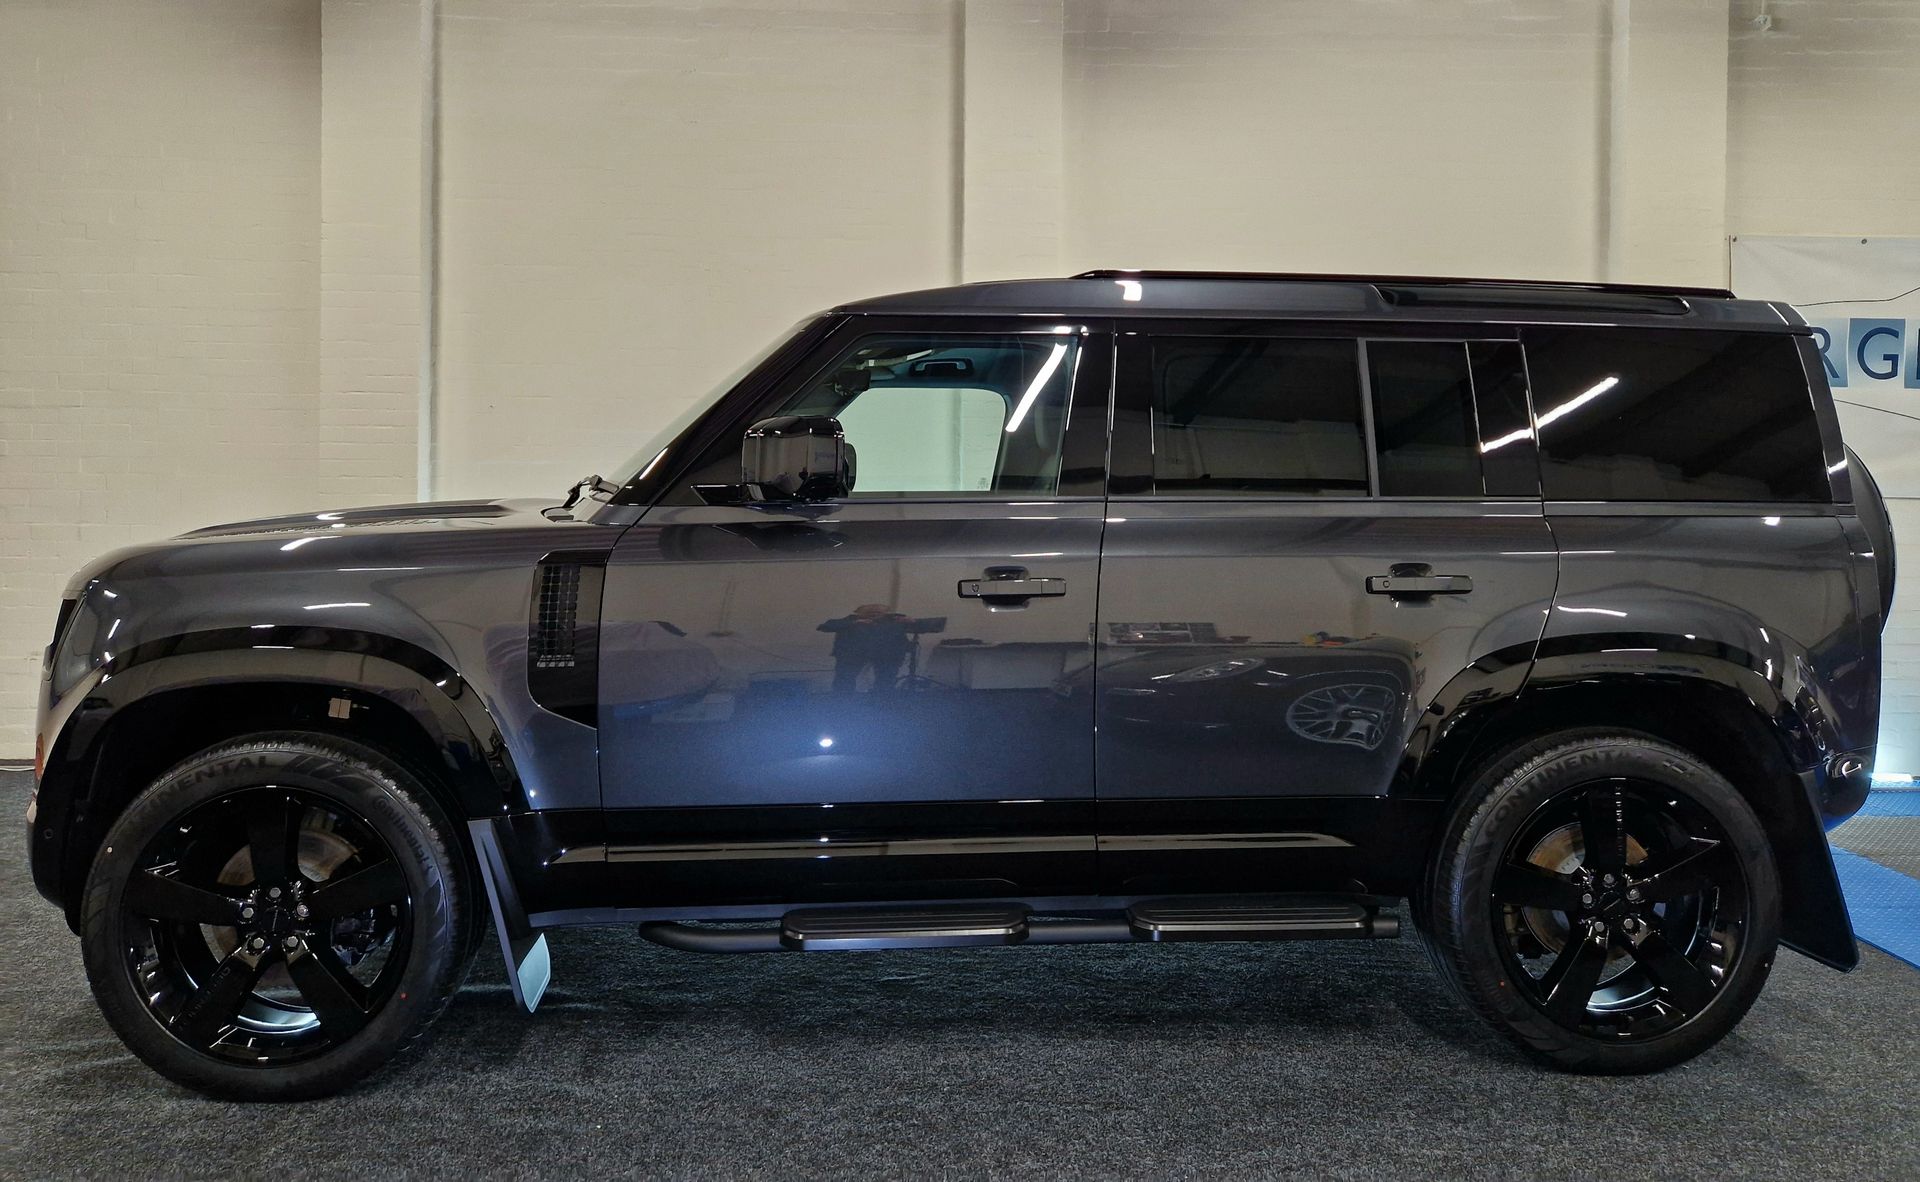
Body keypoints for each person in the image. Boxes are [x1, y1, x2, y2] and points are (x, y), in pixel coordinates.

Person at [817, 604, 917, 693]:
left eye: (878, 612)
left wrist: (912, 622)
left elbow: (919, 626)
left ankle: (883, 702)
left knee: (885, 681)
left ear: (885, 613)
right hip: (853, 655)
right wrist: (854, 623)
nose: (873, 615)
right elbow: (825, 627)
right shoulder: (852, 620)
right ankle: (842, 702)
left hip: (886, 655)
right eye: (869, 613)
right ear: (860, 613)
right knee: (845, 680)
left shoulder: (894, 620)